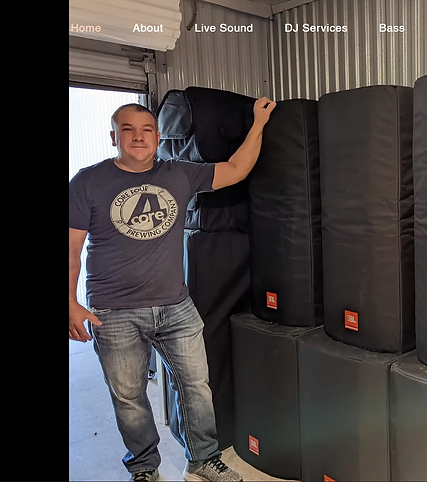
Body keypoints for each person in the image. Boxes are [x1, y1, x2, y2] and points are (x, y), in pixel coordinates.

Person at [69, 97, 276, 482]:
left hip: (175, 307)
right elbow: (70, 249)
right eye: (127, 129)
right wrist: (69, 302)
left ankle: (202, 460)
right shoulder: (88, 181)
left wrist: (259, 123)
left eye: (146, 129)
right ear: (113, 136)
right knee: (130, 399)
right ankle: (145, 468)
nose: (138, 137)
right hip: (113, 312)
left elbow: (236, 169)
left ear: (158, 136)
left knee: (196, 387)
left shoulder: (178, 174)